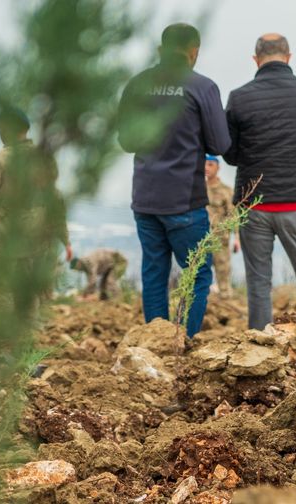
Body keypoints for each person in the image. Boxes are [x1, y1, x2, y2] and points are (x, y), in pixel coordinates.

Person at [117, 23, 231, 337]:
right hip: (184, 200)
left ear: (161, 49)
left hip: (145, 198)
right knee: (196, 275)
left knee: (154, 273)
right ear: (194, 51)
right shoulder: (202, 87)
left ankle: (156, 342)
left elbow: (126, 141)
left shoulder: (137, 84)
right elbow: (220, 145)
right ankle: (182, 342)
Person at [224, 33, 296, 330]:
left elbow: (231, 155)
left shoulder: (238, 97)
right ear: (288, 57)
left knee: (259, 283)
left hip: (255, 204)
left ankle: (260, 343)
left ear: (256, 60)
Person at [0, 108, 72, 295]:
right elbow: (55, 201)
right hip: (35, 247)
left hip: (1, 247)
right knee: (30, 306)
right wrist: (65, 239)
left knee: (1, 303)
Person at [205, 155, 240, 299]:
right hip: (201, 239)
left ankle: (226, 307)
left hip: (220, 240)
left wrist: (237, 238)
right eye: (205, 164)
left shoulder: (226, 190)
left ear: (218, 168)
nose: (206, 168)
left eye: (211, 164)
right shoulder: (198, 189)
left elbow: (234, 216)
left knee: (223, 272)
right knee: (199, 274)